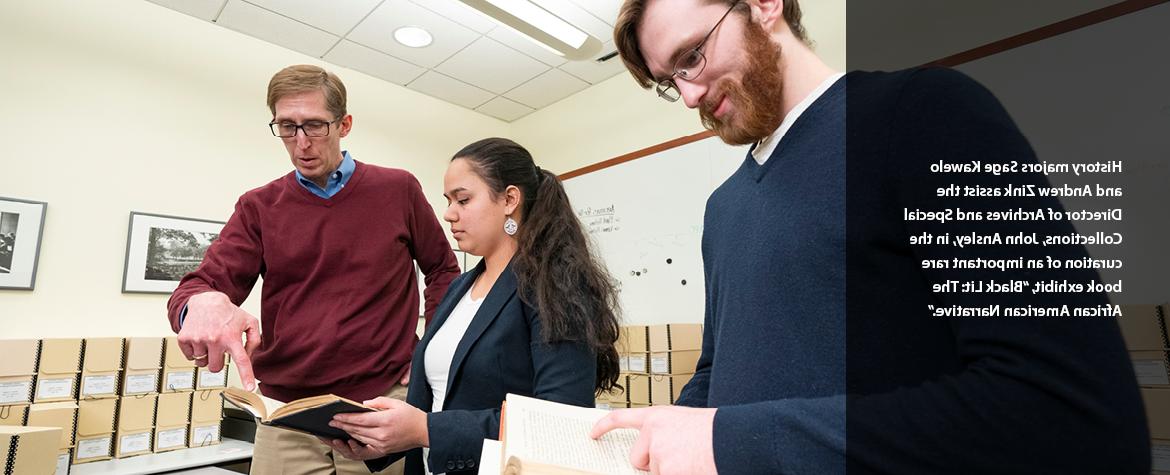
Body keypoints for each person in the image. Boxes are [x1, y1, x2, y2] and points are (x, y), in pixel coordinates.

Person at [591, 1, 1149, 473]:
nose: (689, 97)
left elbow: (1067, 411)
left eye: (692, 56)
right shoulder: (724, 208)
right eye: (672, 82)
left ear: (764, 4)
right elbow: (719, 370)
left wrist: (734, 442)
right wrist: (659, 435)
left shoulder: (922, 116)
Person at [166, 64, 460, 475]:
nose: (301, 143)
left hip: (379, 403)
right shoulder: (258, 206)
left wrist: (430, 345)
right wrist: (200, 303)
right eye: (287, 127)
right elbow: (201, 284)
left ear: (345, 124)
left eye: (315, 126)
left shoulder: (398, 190)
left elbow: (443, 269)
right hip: (290, 412)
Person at [322, 137, 622, 475]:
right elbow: (435, 403)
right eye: (449, 201)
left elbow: (560, 419)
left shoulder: (552, 285)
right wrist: (377, 441)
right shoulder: (458, 288)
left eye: (463, 200)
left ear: (510, 199)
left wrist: (425, 430)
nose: (449, 214)